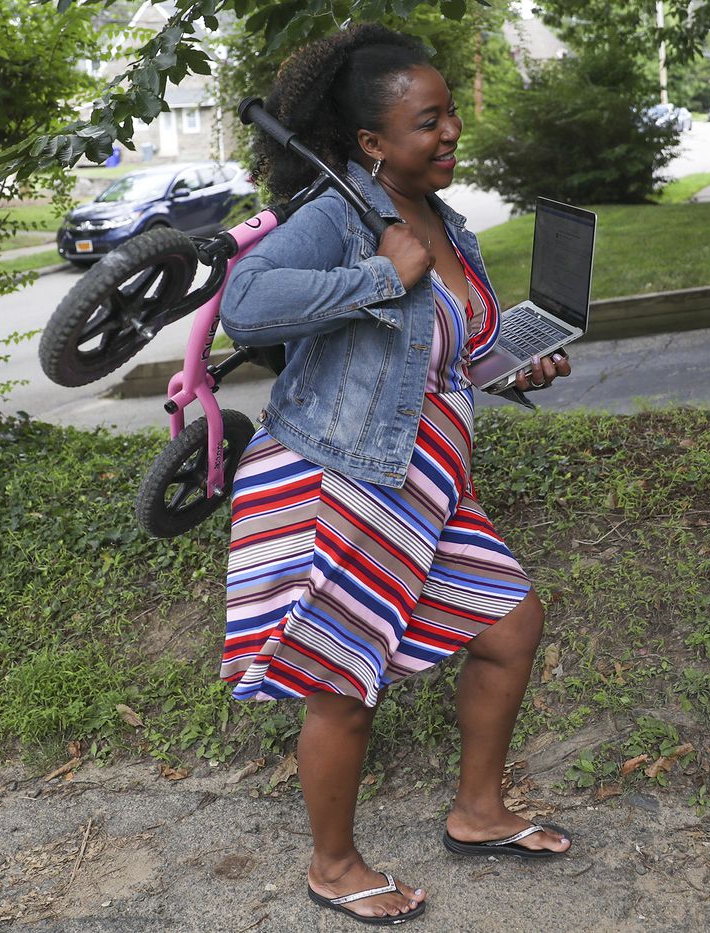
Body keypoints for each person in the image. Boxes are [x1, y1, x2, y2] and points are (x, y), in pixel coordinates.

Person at [217, 25, 572, 926]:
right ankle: (333, 865)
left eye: (451, 111)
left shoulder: (448, 222)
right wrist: (376, 274)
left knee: (508, 625)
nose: (451, 130)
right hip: (336, 477)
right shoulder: (338, 214)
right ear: (373, 143)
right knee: (341, 682)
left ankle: (478, 811)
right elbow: (245, 303)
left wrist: (512, 364)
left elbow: (449, 351)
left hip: (425, 482)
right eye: (428, 120)